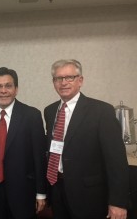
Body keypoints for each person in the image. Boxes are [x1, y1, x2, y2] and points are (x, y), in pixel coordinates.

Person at [44, 59, 129, 219]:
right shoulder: (49, 111)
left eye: (69, 77)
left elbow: (116, 162)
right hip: (57, 190)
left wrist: (118, 202)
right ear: (53, 82)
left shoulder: (101, 111)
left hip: (89, 196)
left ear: (80, 80)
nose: (64, 83)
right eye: (58, 78)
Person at [0, 67, 47, 219]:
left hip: (22, 192)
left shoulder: (31, 115)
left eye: (8, 86)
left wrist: (41, 192)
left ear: (16, 89)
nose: (3, 91)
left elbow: (39, 158)